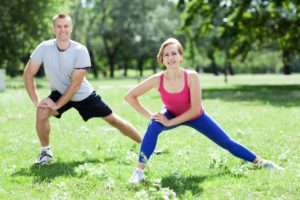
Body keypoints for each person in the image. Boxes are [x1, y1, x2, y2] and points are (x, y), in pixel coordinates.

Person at [125, 38, 284, 184]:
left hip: (195, 116)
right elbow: (130, 96)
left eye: (174, 53)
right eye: (166, 55)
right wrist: (151, 115)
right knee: (153, 126)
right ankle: (139, 172)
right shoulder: (157, 79)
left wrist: (170, 122)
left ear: (181, 57)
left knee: (227, 142)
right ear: (161, 59)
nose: (171, 57)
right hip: (171, 113)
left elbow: (194, 109)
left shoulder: (192, 76)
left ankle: (263, 163)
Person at [23, 13, 142, 165]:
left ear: (71, 28)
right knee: (41, 112)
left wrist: (57, 105)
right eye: (59, 26)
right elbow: (28, 74)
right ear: (53, 29)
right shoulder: (44, 48)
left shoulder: (80, 50)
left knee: (113, 120)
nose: (62, 30)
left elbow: (75, 85)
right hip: (59, 92)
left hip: (82, 94)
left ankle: (146, 145)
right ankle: (46, 153)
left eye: (66, 26)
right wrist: (37, 102)